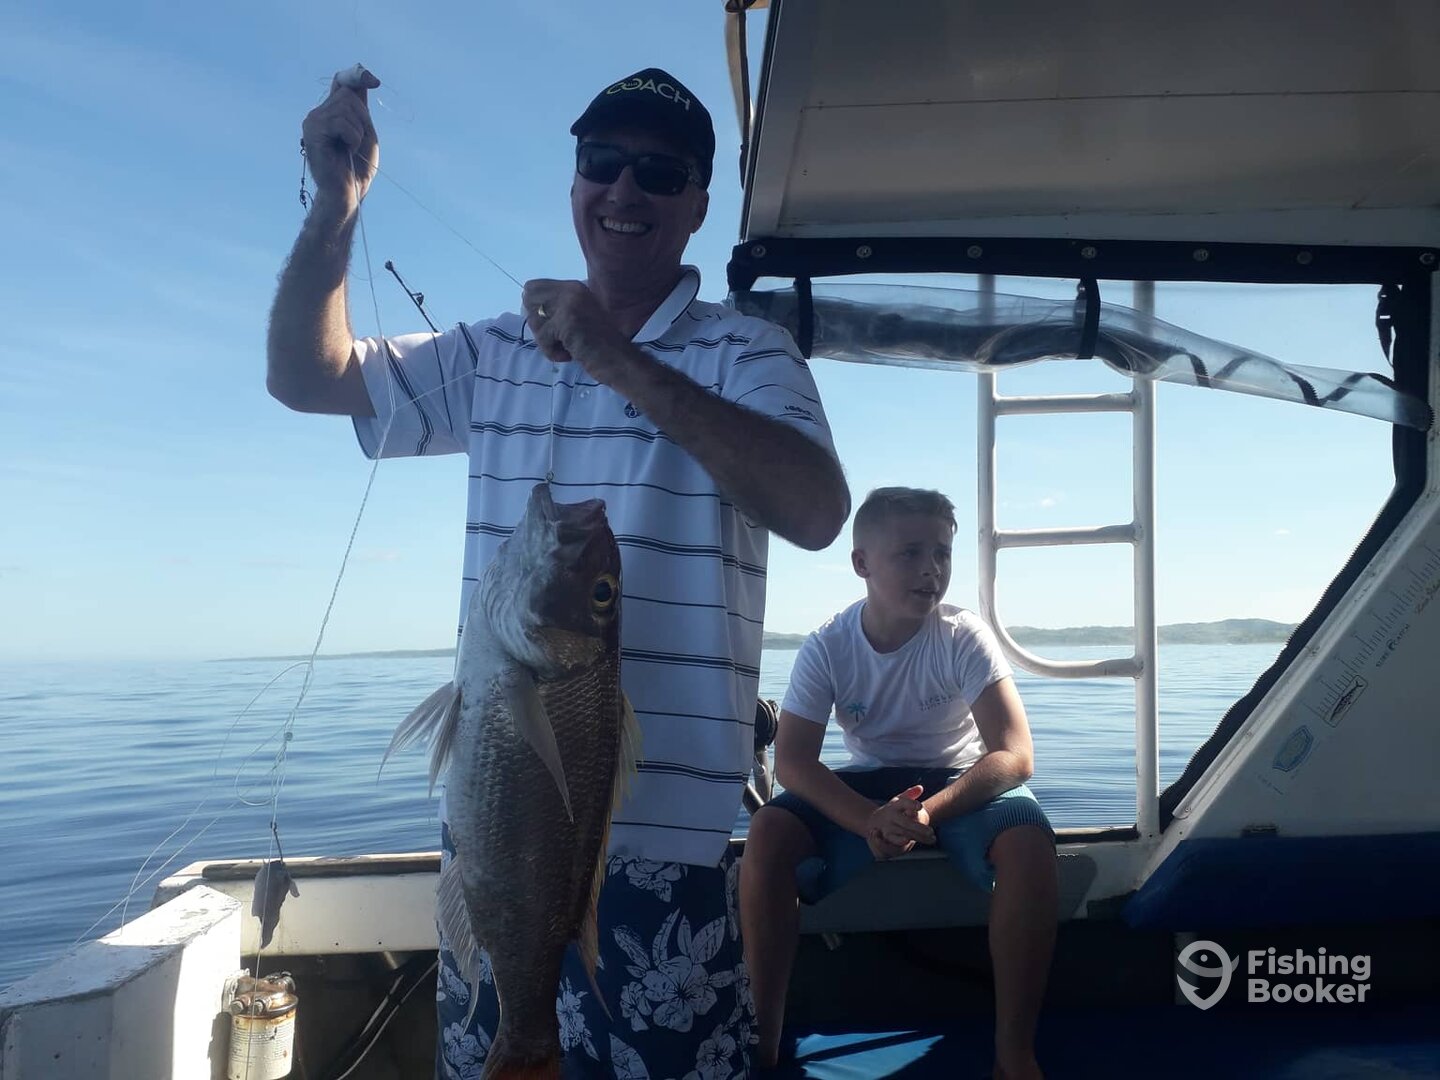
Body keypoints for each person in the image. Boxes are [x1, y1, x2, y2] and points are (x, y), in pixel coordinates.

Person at [267, 65, 850, 1079]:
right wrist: (335, 206)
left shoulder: (749, 355)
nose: (625, 189)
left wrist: (614, 357)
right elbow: (304, 376)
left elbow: (815, 510)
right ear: (575, 181)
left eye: (659, 173)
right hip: (496, 837)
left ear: (698, 205)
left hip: (672, 858)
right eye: (602, 162)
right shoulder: (493, 352)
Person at [739, 487, 1057, 1080]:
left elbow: (1015, 755)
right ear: (861, 563)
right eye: (910, 553)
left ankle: (1014, 1054)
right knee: (768, 832)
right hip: (870, 784)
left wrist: (926, 813)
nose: (931, 569)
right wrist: (868, 818)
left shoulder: (962, 635)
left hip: (957, 781)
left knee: (1029, 840)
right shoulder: (829, 645)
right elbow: (795, 762)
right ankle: (765, 1041)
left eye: (941, 553)